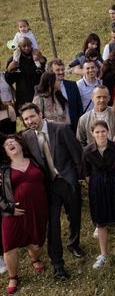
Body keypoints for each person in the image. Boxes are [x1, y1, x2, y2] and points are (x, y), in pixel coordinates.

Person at [20, 103, 84, 280]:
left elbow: (78, 154)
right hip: (49, 186)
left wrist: (79, 178)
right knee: (53, 225)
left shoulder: (61, 129)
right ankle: (58, 264)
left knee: (75, 216)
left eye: (32, 116)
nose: (30, 121)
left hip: (69, 181)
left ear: (40, 114)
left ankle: (74, 243)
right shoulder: (25, 137)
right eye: (26, 119)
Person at [0, 134, 48, 294]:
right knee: (10, 247)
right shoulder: (3, 170)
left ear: (21, 146)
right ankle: (13, 277)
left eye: (13, 141)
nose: (11, 143)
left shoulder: (35, 161)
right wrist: (8, 208)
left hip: (37, 210)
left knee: (36, 244)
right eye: (7, 144)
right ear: (5, 151)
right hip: (14, 214)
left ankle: (34, 259)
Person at [81, 120, 115, 269]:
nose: (100, 134)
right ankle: (103, 254)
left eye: (103, 131)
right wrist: (96, 184)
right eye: (97, 132)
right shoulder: (87, 150)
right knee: (101, 221)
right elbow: (86, 173)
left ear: (108, 131)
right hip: (97, 185)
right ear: (92, 134)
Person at [5, 37, 45, 108]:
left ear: (31, 45)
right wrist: (9, 70)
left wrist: (41, 61)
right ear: (19, 47)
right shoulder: (14, 60)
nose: (27, 48)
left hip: (39, 96)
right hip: (23, 98)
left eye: (29, 45)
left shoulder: (38, 57)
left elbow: (44, 76)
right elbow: (9, 81)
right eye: (24, 46)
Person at [46, 59, 84, 131]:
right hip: (54, 129)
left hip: (73, 127)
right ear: (50, 72)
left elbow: (79, 106)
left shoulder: (72, 85)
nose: (61, 72)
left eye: (62, 69)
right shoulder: (43, 88)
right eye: (57, 70)